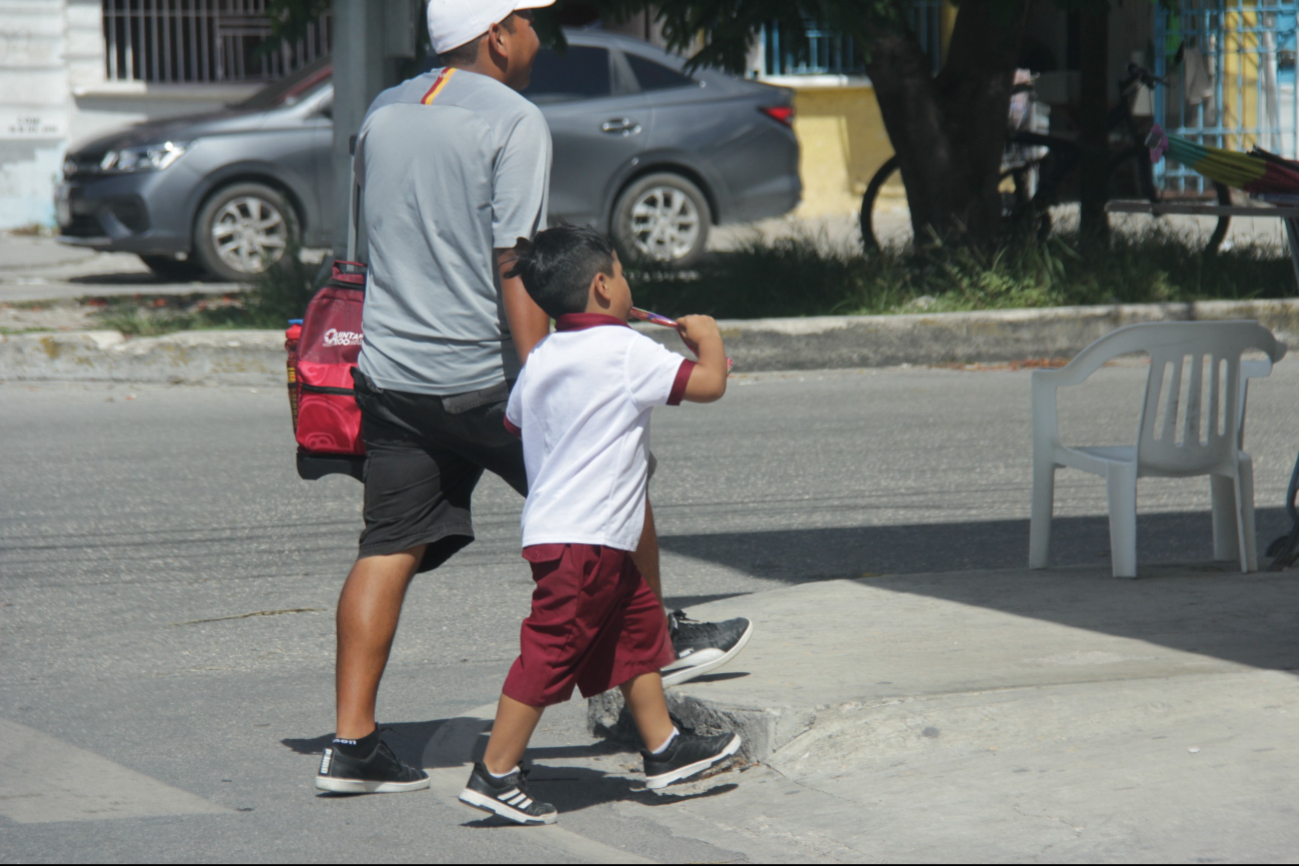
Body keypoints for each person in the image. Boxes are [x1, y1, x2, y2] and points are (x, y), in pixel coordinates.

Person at [315, 0, 751, 795]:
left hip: (391, 374)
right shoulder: (513, 120)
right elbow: (512, 259)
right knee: (615, 483)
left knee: (386, 546)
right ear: (495, 35)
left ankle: (352, 746)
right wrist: (539, 370)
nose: (538, 37)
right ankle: (659, 634)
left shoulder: (383, 111)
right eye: (527, 21)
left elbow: (364, 241)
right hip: (484, 378)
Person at [459, 225, 740, 825]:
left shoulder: (543, 359)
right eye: (622, 269)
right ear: (604, 284)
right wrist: (709, 341)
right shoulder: (626, 351)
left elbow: (514, 423)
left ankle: (664, 747)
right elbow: (709, 385)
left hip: (565, 534)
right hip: (588, 540)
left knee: (636, 632)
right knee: (550, 649)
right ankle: (496, 771)